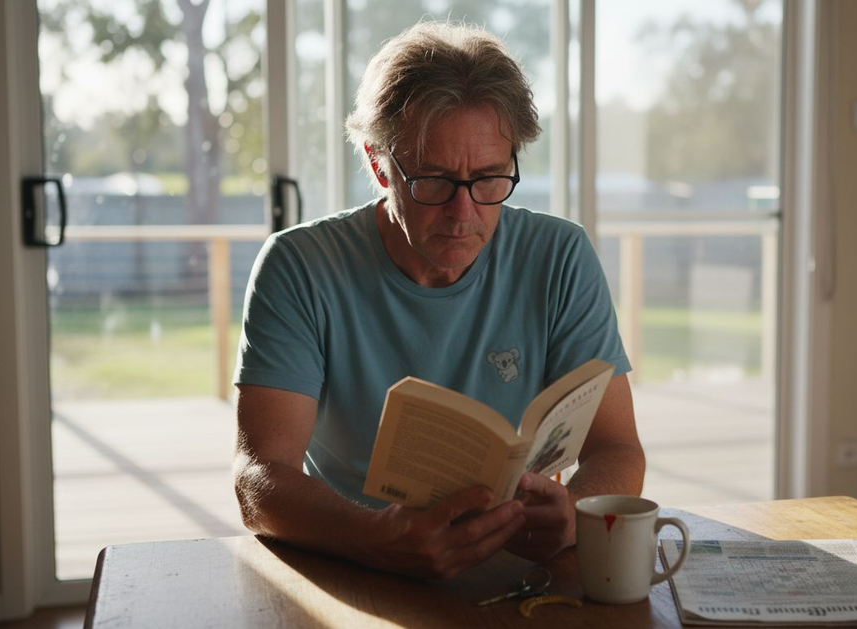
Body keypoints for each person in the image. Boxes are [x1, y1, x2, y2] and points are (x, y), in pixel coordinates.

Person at [231, 20, 645, 580]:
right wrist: (375, 538)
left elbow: (617, 448)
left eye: (490, 178)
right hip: (355, 564)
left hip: (516, 569)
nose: (463, 213)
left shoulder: (559, 255)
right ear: (379, 164)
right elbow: (258, 478)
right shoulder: (300, 265)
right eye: (433, 180)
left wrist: (574, 515)